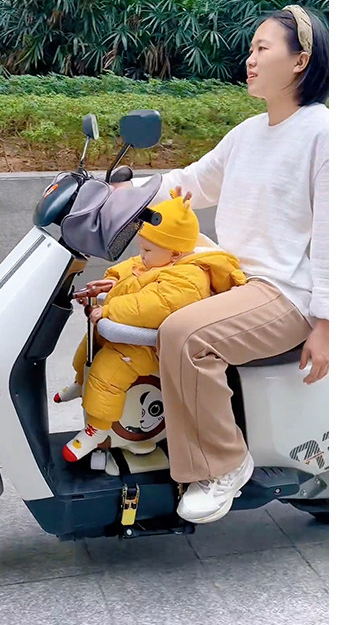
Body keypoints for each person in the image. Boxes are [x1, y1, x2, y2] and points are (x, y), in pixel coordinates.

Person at [130, 4, 329, 524]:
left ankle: (223, 465)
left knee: (186, 335)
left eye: (263, 48)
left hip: (283, 293)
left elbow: (336, 236)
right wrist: (115, 194)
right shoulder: (249, 132)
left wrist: (327, 323)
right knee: (125, 299)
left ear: (300, 60)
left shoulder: (323, 134)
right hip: (233, 279)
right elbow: (189, 184)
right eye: (251, 49)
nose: (250, 59)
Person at [55, 193, 247, 463]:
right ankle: (81, 383)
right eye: (142, 248)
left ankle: (97, 429)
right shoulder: (159, 260)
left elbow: (151, 306)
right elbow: (131, 269)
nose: (141, 256)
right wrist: (111, 281)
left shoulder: (188, 279)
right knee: (90, 344)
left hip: (157, 348)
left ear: (175, 253)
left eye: (147, 251)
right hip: (138, 338)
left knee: (109, 368)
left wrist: (108, 309)